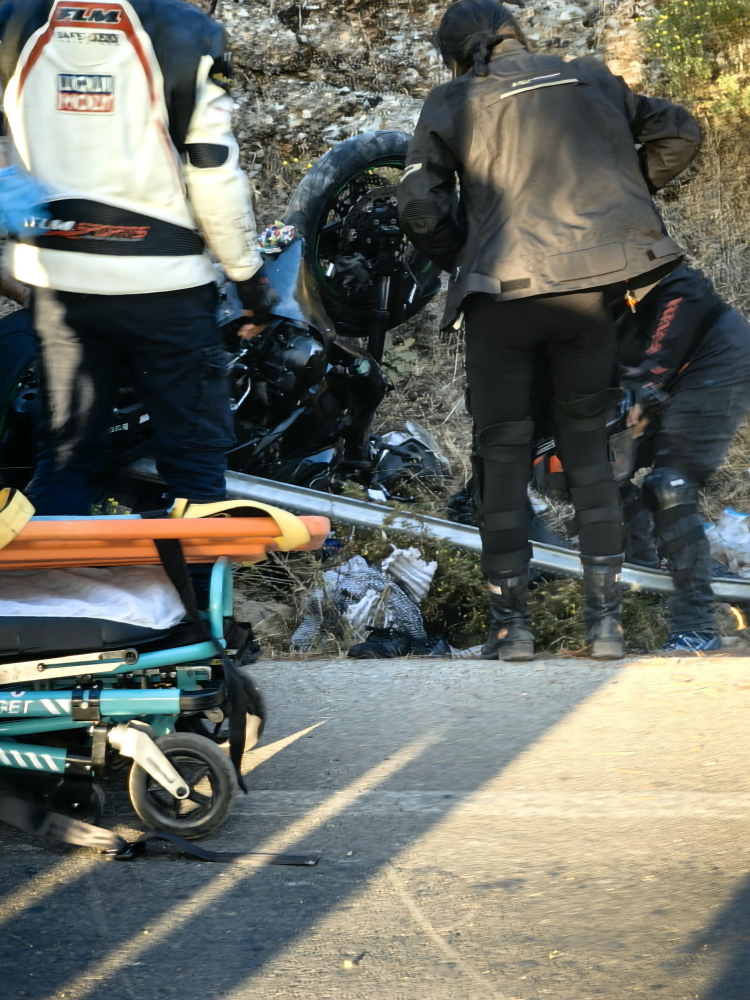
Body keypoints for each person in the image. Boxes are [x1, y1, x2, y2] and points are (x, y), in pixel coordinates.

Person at [397, 0, 701, 660]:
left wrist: (465, 255)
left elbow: (418, 204)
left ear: (453, 53)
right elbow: (680, 132)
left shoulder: (453, 100)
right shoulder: (588, 75)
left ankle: (512, 630)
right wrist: (614, 202)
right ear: (517, 32)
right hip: (589, 293)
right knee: (589, 450)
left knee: (502, 455)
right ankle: (606, 625)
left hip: (502, 296)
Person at [0, 0, 273, 516]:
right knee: (193, 466)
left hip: (59, 282)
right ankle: (190, 565)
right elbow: (211, 167)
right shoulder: (189, 30)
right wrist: (247, 276)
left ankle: (57, 564)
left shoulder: (17, 16)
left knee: (65, 459)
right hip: (164, 286)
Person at [616, 263, 750, 652]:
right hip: (657, 376)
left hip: (716, 360)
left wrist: (644, 388)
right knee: (600, 476)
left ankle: (697, 625)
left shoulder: (657, 271)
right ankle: (647, 597)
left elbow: (682, 297)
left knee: (670, 486)